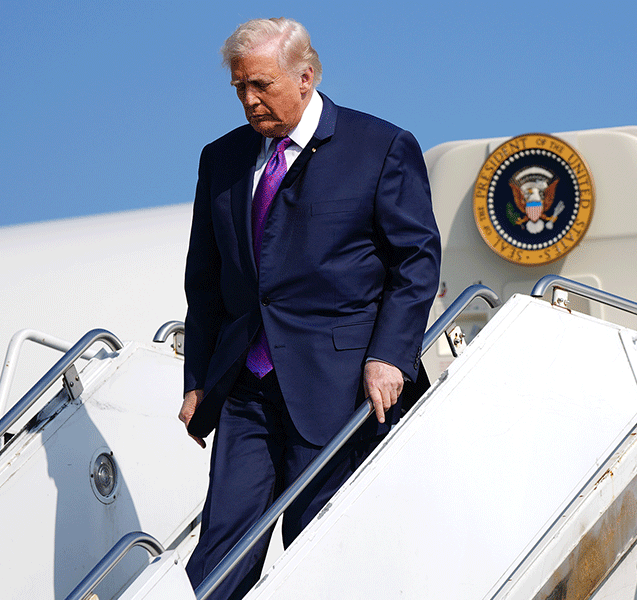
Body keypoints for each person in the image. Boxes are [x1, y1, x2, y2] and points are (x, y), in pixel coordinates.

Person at [178, 18, 441, 600]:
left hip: (340, 384)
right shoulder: (221, 159)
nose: (249, 100)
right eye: (240, 87)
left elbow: (417, 261)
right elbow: (207, 282)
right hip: (247, 384)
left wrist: (390, 356)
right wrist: (198, 378)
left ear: (306, 77)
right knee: (222, 542)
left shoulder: (380, 147)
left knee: (317, 540)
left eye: (262, 85)